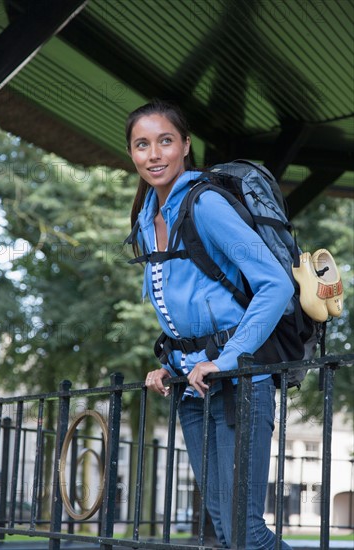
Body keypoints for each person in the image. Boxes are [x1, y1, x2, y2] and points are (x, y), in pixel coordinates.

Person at [126, 99, 293, 550]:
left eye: (165, 141)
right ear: (132, 155)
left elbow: (275, 285)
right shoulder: (147, 220)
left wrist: (230, 358)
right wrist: (169, 364)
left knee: (246, 532)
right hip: (193, 389)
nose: (154, 154)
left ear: (185, 145)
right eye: (142, 145)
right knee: (226, 528)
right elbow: (185, 304)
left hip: (241, 380)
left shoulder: (206, 205)